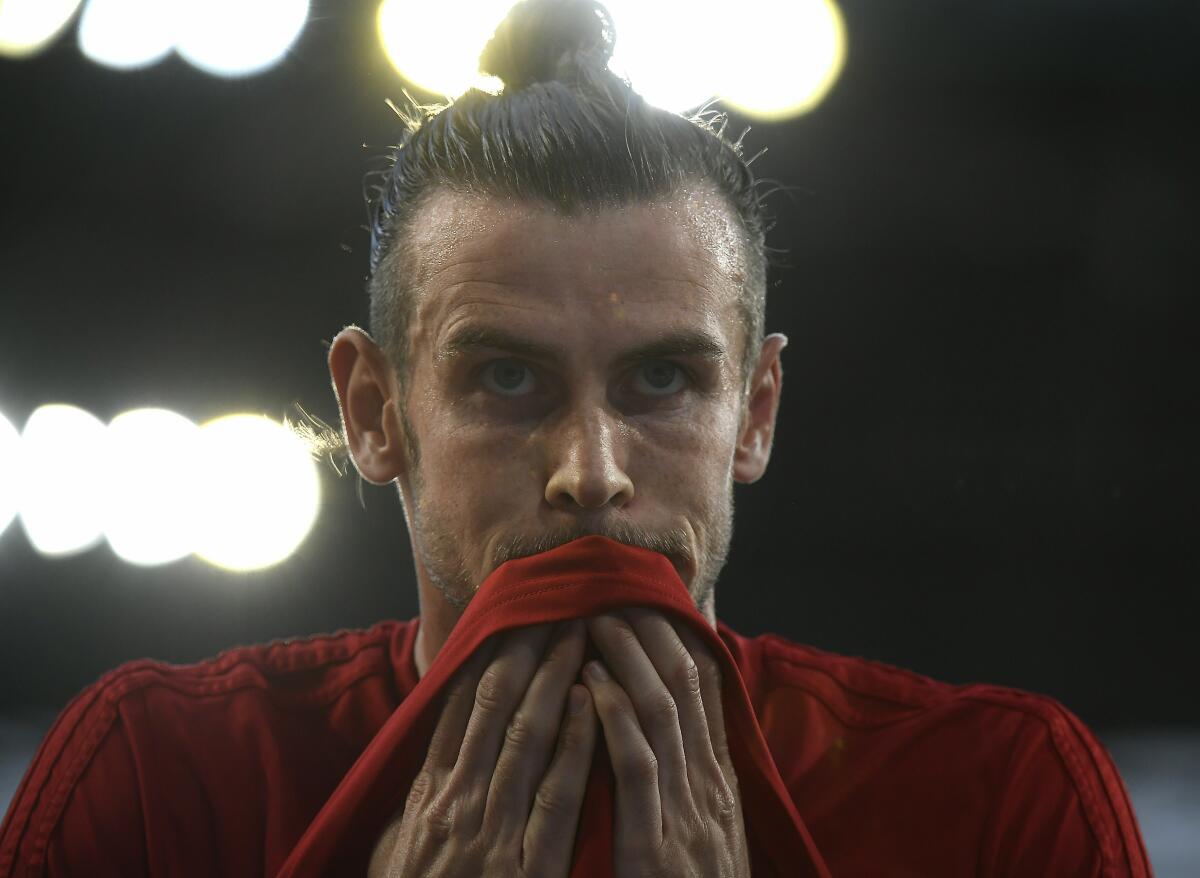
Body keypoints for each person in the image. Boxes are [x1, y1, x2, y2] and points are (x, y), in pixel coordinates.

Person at [0, 0, 1151, 875]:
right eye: (506, 377)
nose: (590, 473)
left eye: (662, 379)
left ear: (755, 410)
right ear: (373, 409)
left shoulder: (997, 797)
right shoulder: (158, 777)